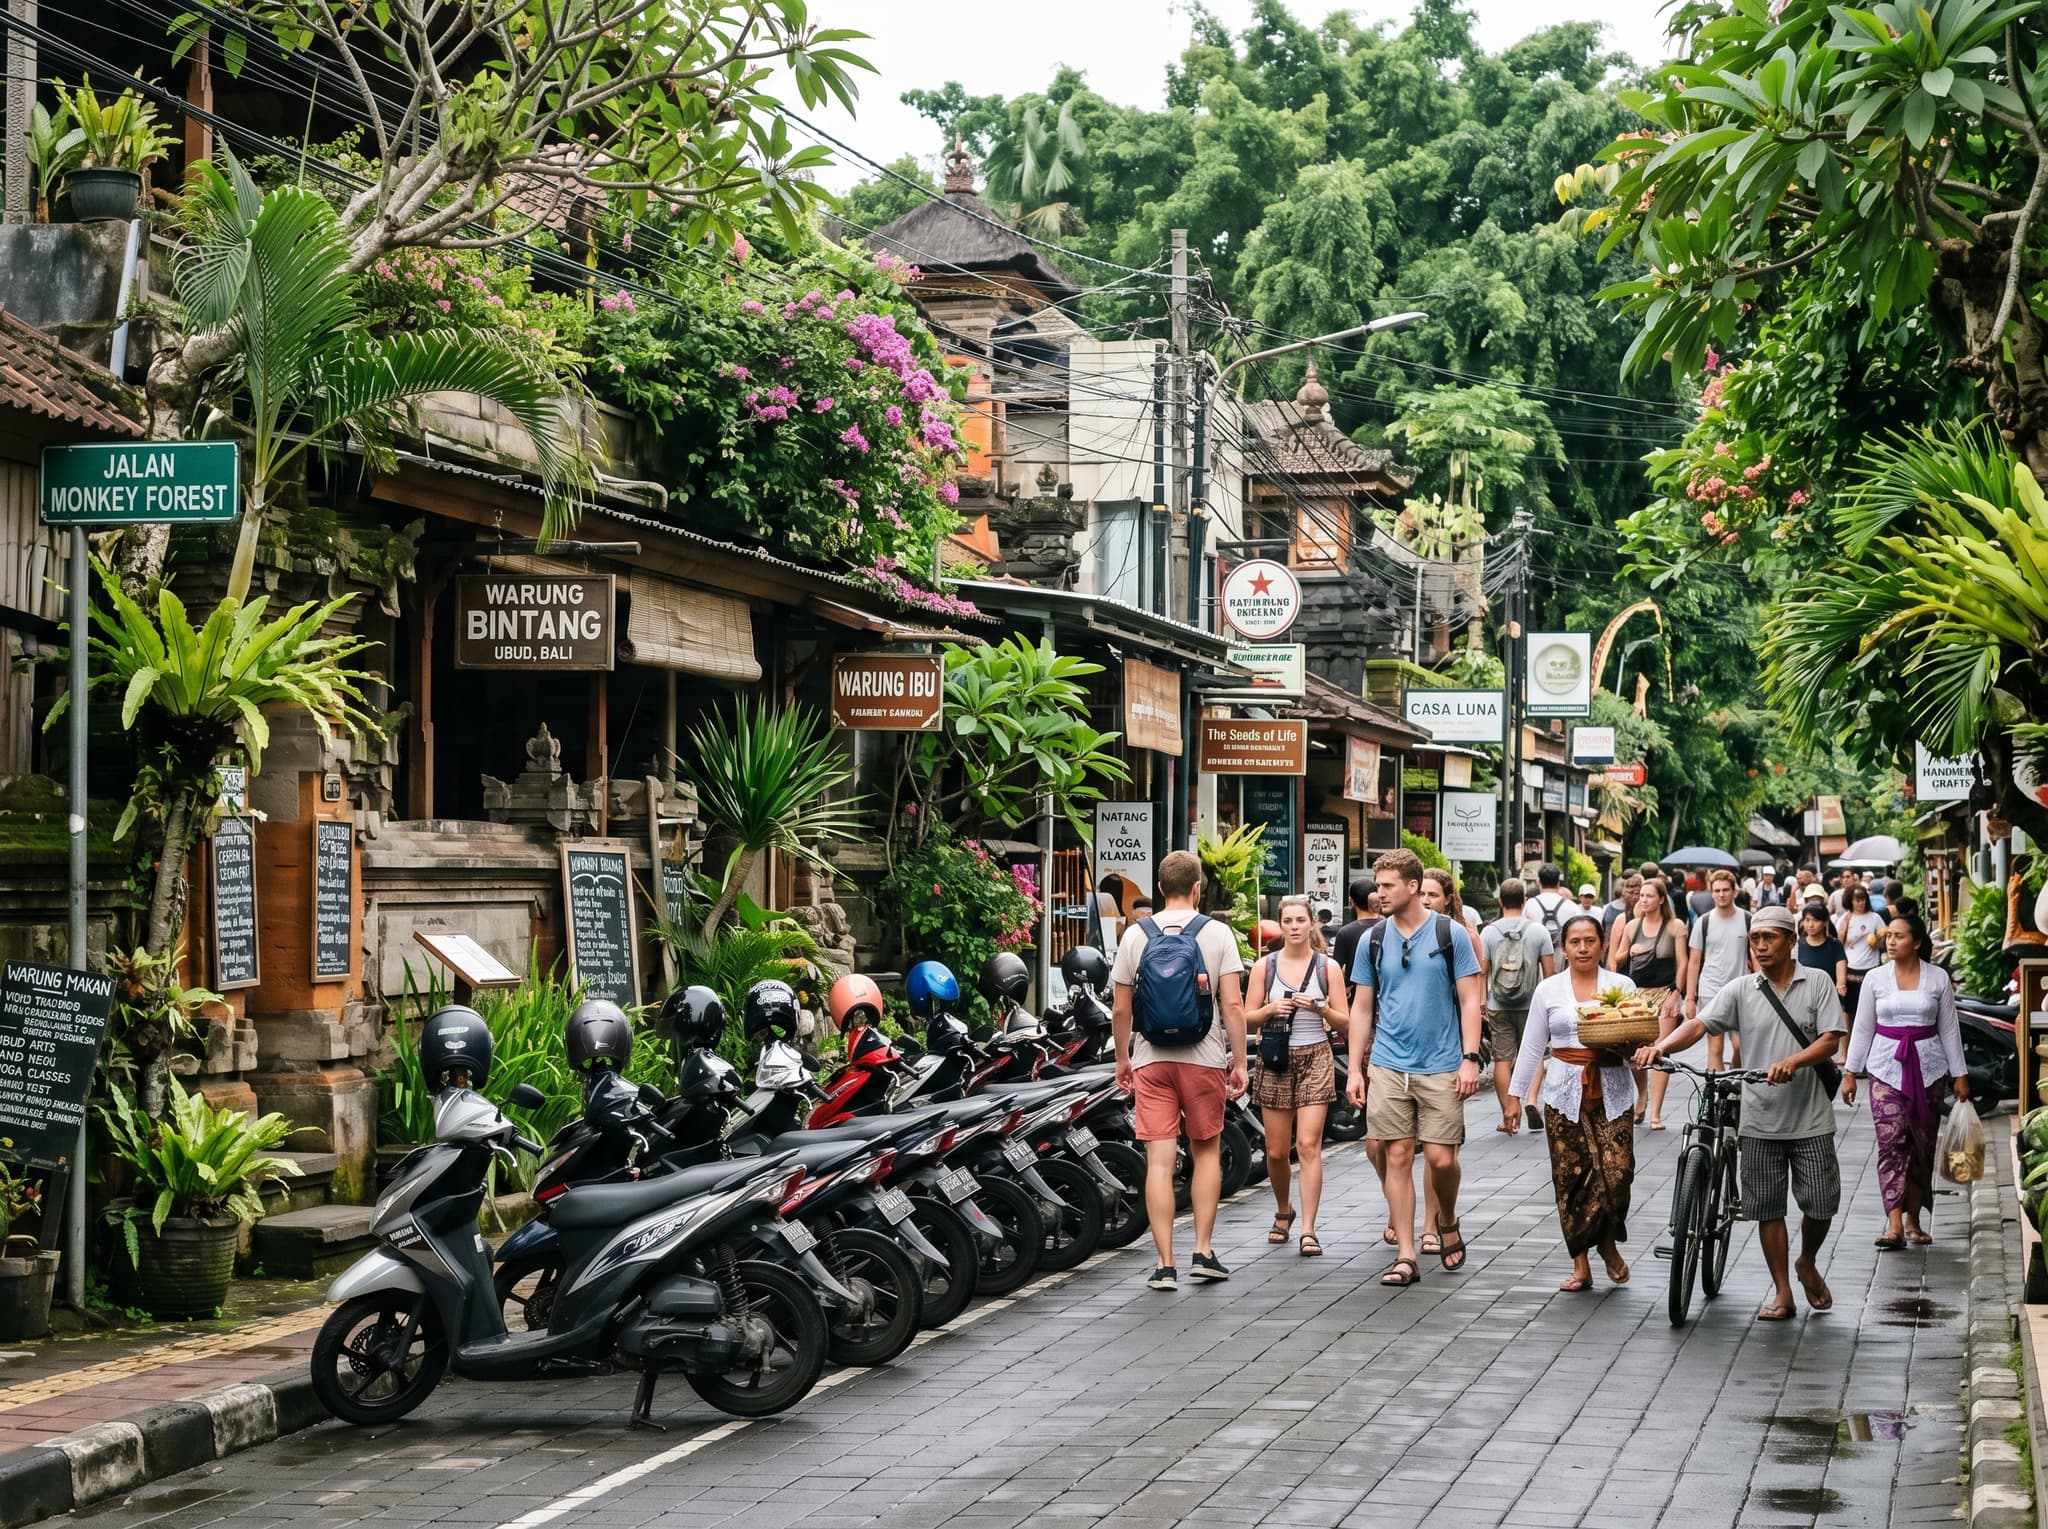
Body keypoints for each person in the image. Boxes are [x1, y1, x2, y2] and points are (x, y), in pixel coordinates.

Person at [1636, 906, 1846, 1321]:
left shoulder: (1817, 982)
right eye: (1756, 939)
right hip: (1759, 1117)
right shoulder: (1741, 988)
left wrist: (1796, 1061)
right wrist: (1661, 1047)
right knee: (1767, 1206)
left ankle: (1806, 1261)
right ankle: (1783, 1290)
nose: (1762, 946)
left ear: (1791, 942)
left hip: (1809, 1116)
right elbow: (1700, 1025)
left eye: (1771, 938)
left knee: (1821, 1203)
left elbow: (1831, 1041)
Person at [1344, 849, 1485, 1289]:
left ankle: (1446, 1216)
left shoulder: (1451, 934)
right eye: (1376, 884)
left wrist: (1470, 1057)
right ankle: (1406, 1253)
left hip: (1442, 1063)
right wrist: (1354, 1069)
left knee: (1442, 1160)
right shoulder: (1374, 939)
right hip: (1388, 1062)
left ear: (1411, 886)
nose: (1377, 892)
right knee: (1397, 1155)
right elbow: (1363, 1007)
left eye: (1386, 886)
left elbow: (1469, 1001)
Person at [1111, 850, 1247, 1292]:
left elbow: (1120, 1006)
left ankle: (1164, 1265)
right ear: (1197, 888)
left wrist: (1122, 1058)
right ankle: (1203, 1252)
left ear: (1159, 886)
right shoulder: (1217, 933)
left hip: (1152, 1059)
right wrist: (1240, 1059)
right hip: (1203, 1057)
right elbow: (1231, 1004)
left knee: (1159, 1160)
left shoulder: (1136, 935)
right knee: (1206, 1151)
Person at [1511, 912, 1638, 1291]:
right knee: (1572, 1179)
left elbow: (1637, 1037)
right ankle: (1581, 1263)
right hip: (1563, 1093)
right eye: (1574, 942)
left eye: (1590, 941)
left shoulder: (1622, 984)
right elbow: (1533, 1045)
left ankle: (1607, 1243)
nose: (1583, 948)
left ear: (1602, 944)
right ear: (1563, 948)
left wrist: (1632, 1046)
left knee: (1618, 1174)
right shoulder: (1548, 990)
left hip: (1613, 1089)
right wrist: (1515, 1098)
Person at [1842, 911, 1969, 1248]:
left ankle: (1914, 1219)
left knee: (1921, 1144)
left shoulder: (1938, 978)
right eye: (1889, 936)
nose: (1891, 941)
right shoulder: (1874, 979)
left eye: (1899, 936)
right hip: (1885, 1067)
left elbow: (1949, 1029)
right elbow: (1863, 1027)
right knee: (1891, 1142)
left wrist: (1960, 1074)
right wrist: (1850, 1072)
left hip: (1929, 1068)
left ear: (1916, 942)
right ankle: (1894, 1222)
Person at [1246, 895, 1346, 1258]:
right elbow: (1245, 1016)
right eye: (1287, 921)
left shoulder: (1327, 968)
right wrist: (1271, 1008)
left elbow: (1346, 1022)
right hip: (1275, 1057)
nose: (1294, 927)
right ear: (1281, 924)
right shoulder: (1265, 967)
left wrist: (1320, 1007)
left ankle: (1308, 1228)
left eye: (1300, 920)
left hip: (1315, 1056)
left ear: (1311, 924)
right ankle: (1283, 1209)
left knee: (1308, 1145)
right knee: (1275, 1150)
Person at [1481, 878, 1555, 1136]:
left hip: (1497, 1004)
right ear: (1524, 902)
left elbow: (1483, 971)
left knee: (1502, 1059)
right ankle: (1532, 1100)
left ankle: (1507, 1115)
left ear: (1500, 901)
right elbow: (1550, 973)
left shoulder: (1488, 932)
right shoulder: (1538, 932)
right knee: (1533, 1054)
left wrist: (1483, 999)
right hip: (1531, 1004)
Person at [1611, 877, 1684, 1127]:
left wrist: (1678, 992)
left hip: (1665, 990)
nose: (1643, 899)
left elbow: (1682, 962)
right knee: (1635, 1051)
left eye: (1649, 895)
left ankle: (1656, 1113)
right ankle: (1642, 1095)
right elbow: (1617, 958)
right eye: (1641, 895)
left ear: (1661, 899)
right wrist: (1630, 951)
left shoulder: (1675, 926)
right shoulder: (1631, 926)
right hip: (1637, 993)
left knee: (1661, 1049)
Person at [1685, 868, 1755, 1072]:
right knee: (1715, 1047)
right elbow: (1694, 961)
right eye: (1717, 890)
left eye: (1726, 890)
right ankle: (1716, 1095)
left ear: (1735, 892)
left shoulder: (1747, 919)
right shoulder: (1703, 922)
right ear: (1711, 892)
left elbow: (1755, 957)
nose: (1721, 894)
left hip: (1740, 989)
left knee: (1741, 1045)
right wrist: (1690, 998)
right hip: (1710, 990)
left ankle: (1734, 1083)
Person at [1837, 884, 1886, 1018]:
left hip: (1871, 966)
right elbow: (1838, 944)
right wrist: (1844, 928)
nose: (1861, 903)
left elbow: (1883, 940)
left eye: (1863, 899)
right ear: (1850, 901)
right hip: (1850, 967)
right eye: (1857, 900)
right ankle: (1849, 1039)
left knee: (1872, 1008)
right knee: (1849, 1009)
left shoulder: (1875, 918)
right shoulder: (1844, 919)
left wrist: (1876, 944)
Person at [1797, 901, 1851, 1021]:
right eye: (1807, 920)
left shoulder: (1834, 945)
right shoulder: (1798, 945)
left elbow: (1841, 963)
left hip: (1827, 997)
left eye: (1815, 920)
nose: (1810, 925)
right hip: (1803, 998)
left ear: (1825, 923)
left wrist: (1841, 984)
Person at [1329, 876, 1380, 992]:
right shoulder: (1388, 926)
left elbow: (1336, 970)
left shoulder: (1345, 932)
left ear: (1351, 901)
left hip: (1355, 995)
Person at [1529, 863, 1573, 949]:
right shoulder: (1572, 907)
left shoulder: (1529, 904)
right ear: (1558, 883)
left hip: (1536, 959)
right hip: (1565, 958)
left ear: (1539, 882)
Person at [1601, 872, 1643, 944]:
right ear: (1623, 894)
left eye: (1637, 893)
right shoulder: (1621, 918)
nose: (1634, 897)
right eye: (1631, 893)